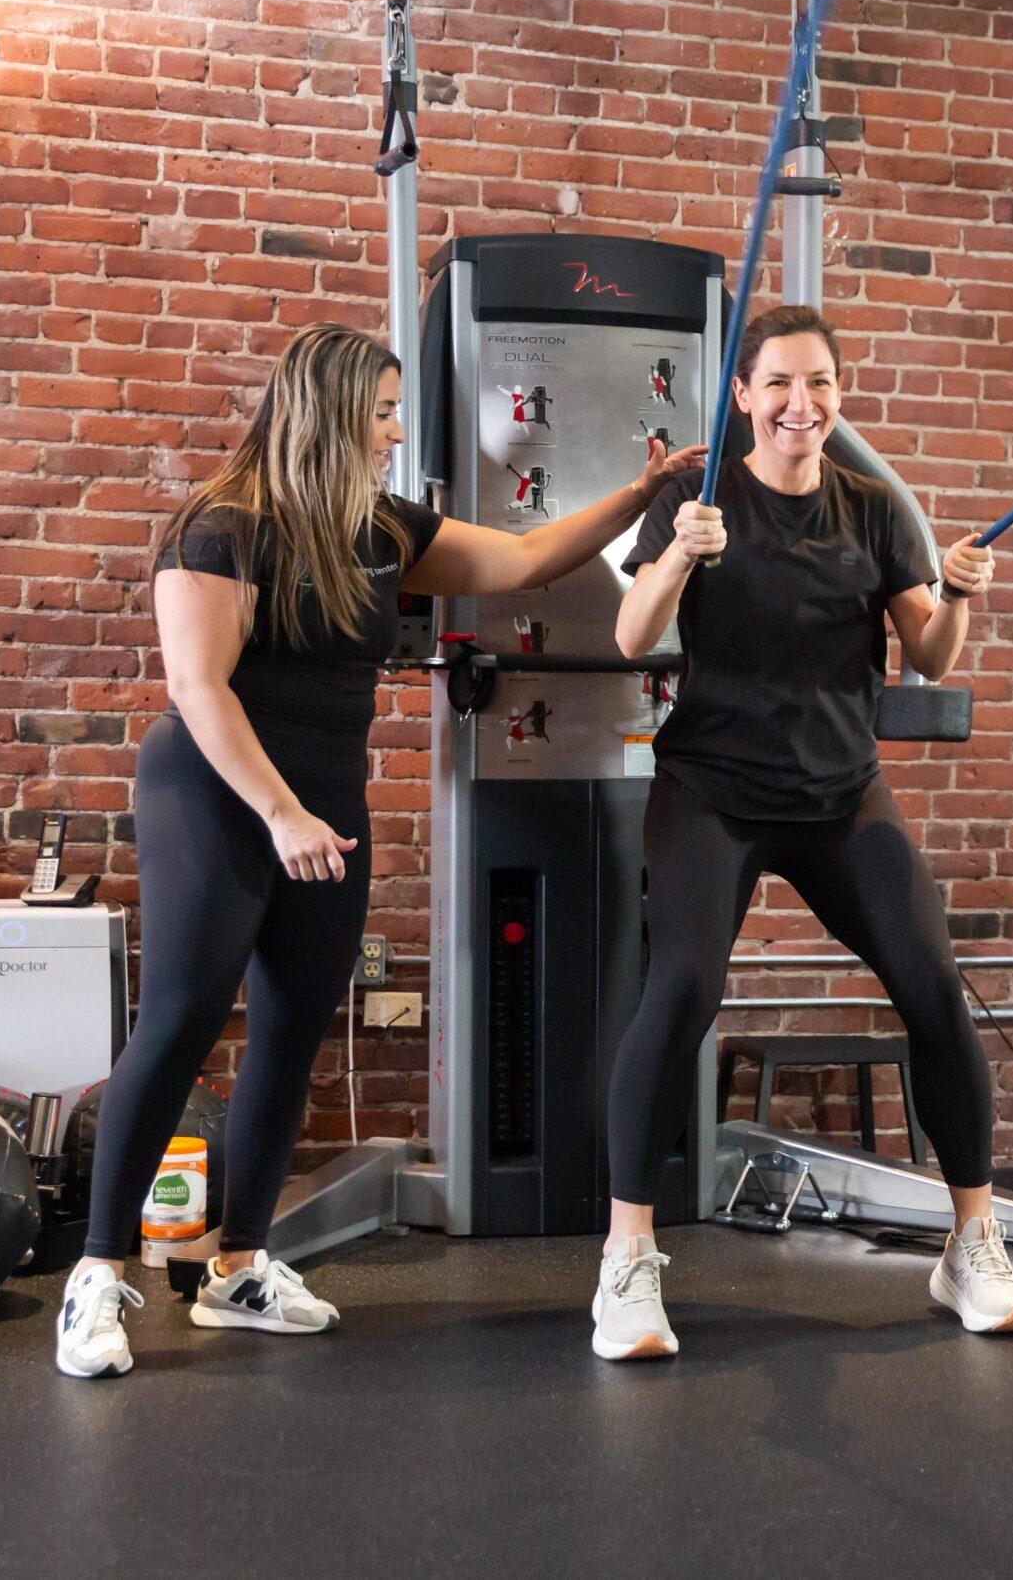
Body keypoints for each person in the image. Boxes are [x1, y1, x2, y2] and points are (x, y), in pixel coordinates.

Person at [58, 322, 706, 1379]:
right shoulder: (220, 529)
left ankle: (240, 1266)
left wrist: (641, 498)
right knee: (177, 1023)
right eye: (382, 413)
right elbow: (197, 689)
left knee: (293, 1028)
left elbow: (526, 560)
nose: (397, 430)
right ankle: (95, 1274)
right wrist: (278, 816)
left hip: (324, 796)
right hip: (218, 791)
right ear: (326, 417)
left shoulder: (379, 530)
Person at [591, 304, 1013, 1361]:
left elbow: (927, 655)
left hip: (841, 793)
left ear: (840, 396)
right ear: (743, 396)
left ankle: (969, 1244)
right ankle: (625, 1262)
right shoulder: (695, 500)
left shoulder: (874, 509)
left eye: (822, 384)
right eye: (781, 384)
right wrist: (673, 561)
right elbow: (627, 636)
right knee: (686, 987)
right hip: (712, 789)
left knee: (932, 984)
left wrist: (959, 595)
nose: (803, 404)